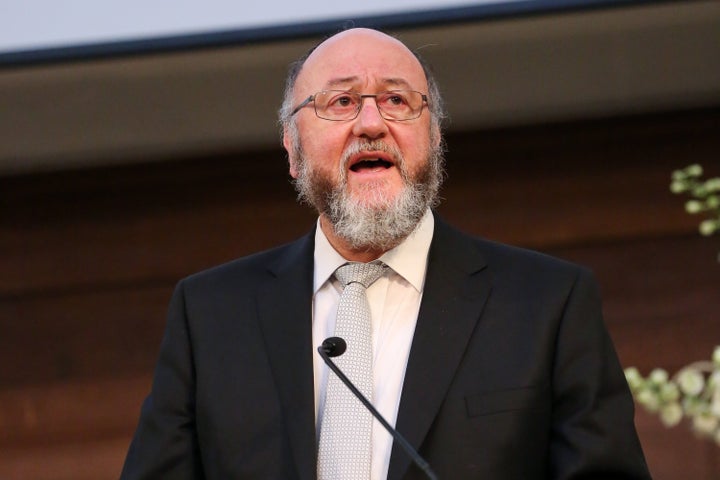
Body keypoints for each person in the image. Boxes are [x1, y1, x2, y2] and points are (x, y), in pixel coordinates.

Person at [120, 28, 651, 479]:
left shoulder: (548, 304)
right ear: (292, 147)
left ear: (434, 137)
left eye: (397, 100)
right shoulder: (210, 314)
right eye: (342, 102)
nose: (372, 123)